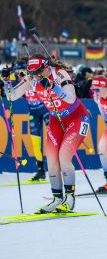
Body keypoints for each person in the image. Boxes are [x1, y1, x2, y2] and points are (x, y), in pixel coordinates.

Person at [2, 54, 90, 213]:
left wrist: (53, 87)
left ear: (46, 67)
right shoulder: (32, 78)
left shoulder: (59, 73)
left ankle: (69, 198)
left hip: (76, 117)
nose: (35, 75)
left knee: (64, 156)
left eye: (38, 72)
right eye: (32, 72)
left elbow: (70, 98)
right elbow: (12, 96)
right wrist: (6, 82)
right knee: (51, 161)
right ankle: (57, 199)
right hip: (56, 121)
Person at [15, 60, 50, 181]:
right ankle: (41, 171)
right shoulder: (21, 80)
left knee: (52, 138)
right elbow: (11, 92)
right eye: (17, 71)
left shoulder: (33, 77)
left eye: (20, 70)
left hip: (45, 108)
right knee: (35, 142)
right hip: (33, 111)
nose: (18, 73)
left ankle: (59, 166)